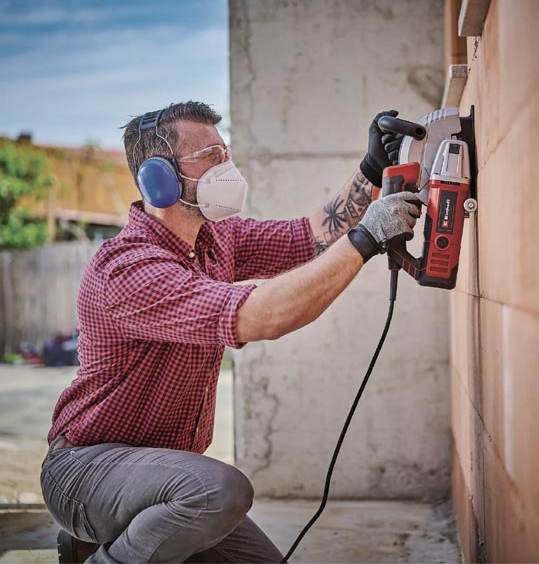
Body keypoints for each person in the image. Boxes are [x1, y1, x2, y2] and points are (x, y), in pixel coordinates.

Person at [40, 101, 419, 563]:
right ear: (159, 178)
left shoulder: (217, 241)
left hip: (161, 477)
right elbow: (263, 315)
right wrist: (366, 239)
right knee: (219, 489)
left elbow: (312, 234)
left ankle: (109, 543)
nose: (229, 167)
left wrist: (371, 170)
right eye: (212, 158)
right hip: (86, 469)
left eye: (227, 154)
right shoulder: (128, 268)